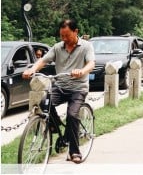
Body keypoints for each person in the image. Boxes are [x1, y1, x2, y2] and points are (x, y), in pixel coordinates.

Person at [23, 18, 95, 164]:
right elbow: (43, 61)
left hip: (78, 88)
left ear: (76, 31)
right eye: (62, 36)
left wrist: (81, 71)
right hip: (60, 86)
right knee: (44, 102)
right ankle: (53, 126)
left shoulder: (86, 46)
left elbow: (91, 63)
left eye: (67, 35)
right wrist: (32, 69)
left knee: (72, 115)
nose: (64, 39)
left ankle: (74, 151)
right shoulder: (57, 47)